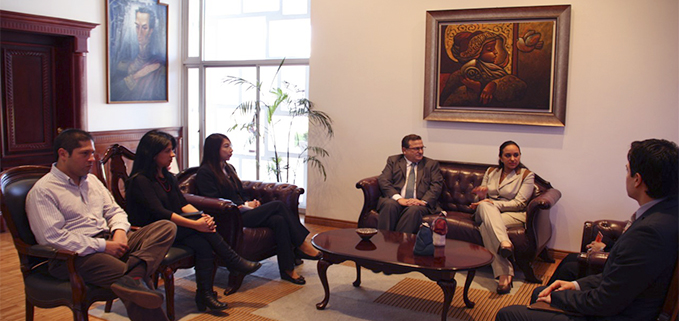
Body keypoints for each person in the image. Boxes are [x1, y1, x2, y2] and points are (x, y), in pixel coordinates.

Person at [496, 138, 679, 321]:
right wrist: (575, 286)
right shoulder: (667, 212)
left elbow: (605, 301)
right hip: (618, 301)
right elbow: (618, 278)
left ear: (637, 180)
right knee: (542, 292)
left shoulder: (649, 233)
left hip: (618, 314)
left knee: (507, 314)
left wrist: (560, 297)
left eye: (627, 170)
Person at [25, 129, 176, 321]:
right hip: (74, 256)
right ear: (63, 154)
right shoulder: (44, 191)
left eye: (92, 153)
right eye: (84, 154)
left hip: (109, 239)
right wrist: (104, 247)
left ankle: (134, 276)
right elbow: (54, 238)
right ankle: (134, 277)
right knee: (137, 287)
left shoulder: (92, 181)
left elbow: (115, 211)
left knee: (164, 227)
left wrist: (119, 232)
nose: (91, 159)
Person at [125, 130, 262, 312]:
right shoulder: (140, 180)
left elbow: (182, 204)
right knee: (200, 231)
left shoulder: (168, 177)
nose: (173, 154)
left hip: (174, 227)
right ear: (153, 154)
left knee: (203, 243)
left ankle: (204, 294)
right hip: (153, 232)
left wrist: (201, 215)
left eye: (172, 150)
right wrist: (196, 224)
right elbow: (160, 213)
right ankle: (233, 261)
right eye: (168, 151)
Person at [194, 133, 322, 285]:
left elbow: (239, 193)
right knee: (279, 206)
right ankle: (301, 243)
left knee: (278, 220)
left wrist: (250, 203)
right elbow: (213, 200)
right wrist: (242, 206)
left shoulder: (228, 168)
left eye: (231, 146)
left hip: (242, 212)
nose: (231, 150)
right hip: (230, 218)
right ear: (214, 149)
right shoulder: (205, 172)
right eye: (226, 146)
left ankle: (287, 270)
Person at [471, 140, 535, 294]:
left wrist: (492, 203)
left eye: (516, 155)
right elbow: (479, 200)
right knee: (485, 206)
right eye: (508, 155)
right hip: (486, 210)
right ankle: (504, 242)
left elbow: (520, 203)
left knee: (487, 227)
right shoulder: (491, 171)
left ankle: (504, 275)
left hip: (513, 214)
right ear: (500, 157)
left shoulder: (526, 175)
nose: (512, 159)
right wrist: (480, 196)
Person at [439, 31, 526, 107]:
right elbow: (446, 102)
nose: (495, 52)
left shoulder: (496, 70)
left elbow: (519, 88)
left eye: (495, 48)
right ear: (477, 53)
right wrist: (477, 89)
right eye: (489, 49)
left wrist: (493, 85)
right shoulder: (461, 74)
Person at [377, 134, 443, 234]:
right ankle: (383, 242)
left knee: (413, 210)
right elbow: (384, 180)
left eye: (422, 148)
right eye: (416, 149)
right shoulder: (393, 161)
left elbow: (436, 186)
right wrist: (399, 199)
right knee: (389, 204)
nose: (420, 152)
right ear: (404, 150)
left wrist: (423, 201)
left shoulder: (431, 164)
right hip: (398, 200)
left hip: (419, 203)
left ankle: (400, 245)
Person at [111, 6, 166, 101]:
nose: (139, 32)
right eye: (137, 26)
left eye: (144, 28)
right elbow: (114, 91)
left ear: (150, 31)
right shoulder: (124, 63)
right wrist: (138, 74)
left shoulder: (158, 64)